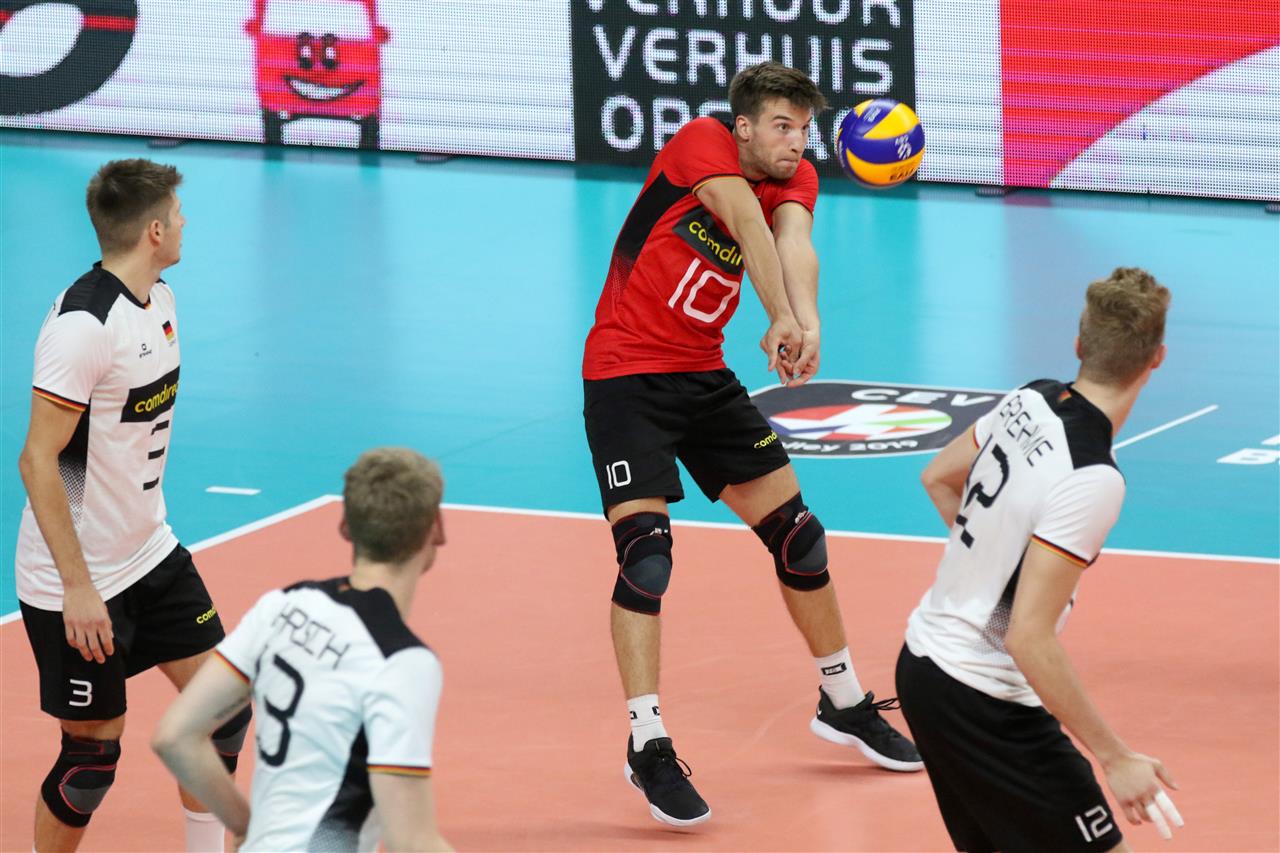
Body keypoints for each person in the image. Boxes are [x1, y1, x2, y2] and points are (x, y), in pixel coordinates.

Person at [581, 61, 922, 827]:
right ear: (742, 126)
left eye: (804, 130)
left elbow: (793, 243)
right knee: (646, 556)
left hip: (703, 377)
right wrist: (780, 318)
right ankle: (648, 742)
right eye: (781, 127)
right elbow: (743, 221)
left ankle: (842, 700)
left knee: (800, 538)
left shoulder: (796, 177)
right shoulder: (699, 145)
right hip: (625, 376)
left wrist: (809, 319)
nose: (796, 142)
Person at [898, 268, 1184, 852]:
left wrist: (993, 560)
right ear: (1157, 358)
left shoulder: (1029, 399)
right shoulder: (1092, 477)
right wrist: (1115, 758)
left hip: (923, 669)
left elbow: (938, 478)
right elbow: (1027, 637)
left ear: (1079, 344)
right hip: (983, 698)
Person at [16, 159, 247, 852]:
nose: (184, 222)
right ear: (153, 231)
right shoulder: (84, 326)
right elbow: (40, 460)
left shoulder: (160, 299)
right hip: (76, 579)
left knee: (222, 713)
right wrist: (78, 588)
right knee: (90, 764)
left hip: (149, 552)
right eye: (177, 214)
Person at [152, 447, 451, 853]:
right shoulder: (402, 661)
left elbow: (175, 736)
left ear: (345, 526)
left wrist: (246, 827)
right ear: (437, 530)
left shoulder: (282, 607)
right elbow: (411, 841)